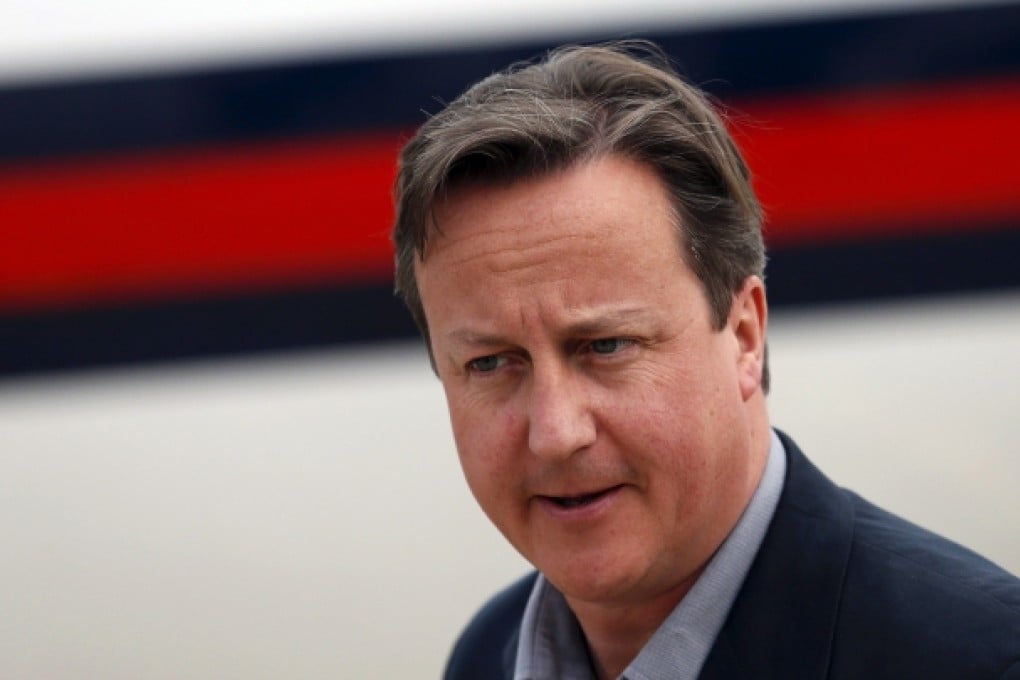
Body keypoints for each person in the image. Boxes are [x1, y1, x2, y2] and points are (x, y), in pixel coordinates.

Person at [391, 42, 1020, 680]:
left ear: (745, 334)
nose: (555, 433)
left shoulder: (977, 659)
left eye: (606, 346)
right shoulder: (487, 656)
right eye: (493, 363)